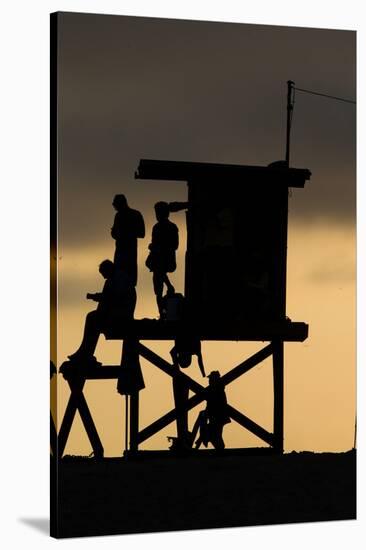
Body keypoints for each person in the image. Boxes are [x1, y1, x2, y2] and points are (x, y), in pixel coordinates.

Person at [68, 260, 136, 363]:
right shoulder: (111, 279)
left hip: (121, 316)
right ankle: (85, 352)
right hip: (114, 313)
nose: (103, 277)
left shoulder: (120, 278)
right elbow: (107, 298)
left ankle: (86, 352)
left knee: (92, 318)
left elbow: (114, 298)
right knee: (93, 318)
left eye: (103, 274)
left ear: (108, 270)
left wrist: (97, 297)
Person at [146, 201, 179, 318]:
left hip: (165, 260)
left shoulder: (167, 227)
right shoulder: (164, 227)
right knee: (158, 288)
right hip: (160, 261)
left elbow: (174, 245)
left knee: (158, 285)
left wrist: (158, 247)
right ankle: (161, 312)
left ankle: (162, 311)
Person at [111, 194, 145, 286]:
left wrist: (125, 232)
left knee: (128, 280)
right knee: (119, 279)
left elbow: (142, 233)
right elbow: (114, 233)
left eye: (115, 205)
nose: (114, 207)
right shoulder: (118, 216)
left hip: (129, 253)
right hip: (121, 252)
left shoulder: (134, 214)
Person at [194, 371, 231, 450]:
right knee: (214, 435)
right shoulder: (218, 390)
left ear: (214, 380)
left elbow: (213, 404)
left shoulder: (216, 390)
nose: (209, 381)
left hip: (217, 417)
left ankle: (219, 450)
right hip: (217, 417)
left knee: (214, 435)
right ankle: (218, 450)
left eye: (210, 379)